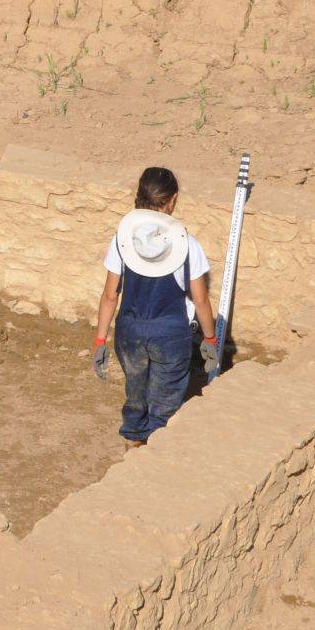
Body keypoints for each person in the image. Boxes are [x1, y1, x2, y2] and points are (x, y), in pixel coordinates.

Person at [93, 166, 216, 447]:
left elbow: (110, 295)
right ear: (173, 200)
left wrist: (100, 340)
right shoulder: (188, 245)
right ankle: (154, 455)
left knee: (136, 396)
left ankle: (133, 444)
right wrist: (210, 338)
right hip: (170, 336)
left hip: (130, 333)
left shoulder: (122, 241)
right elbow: (200, 299)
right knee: (165, 406)